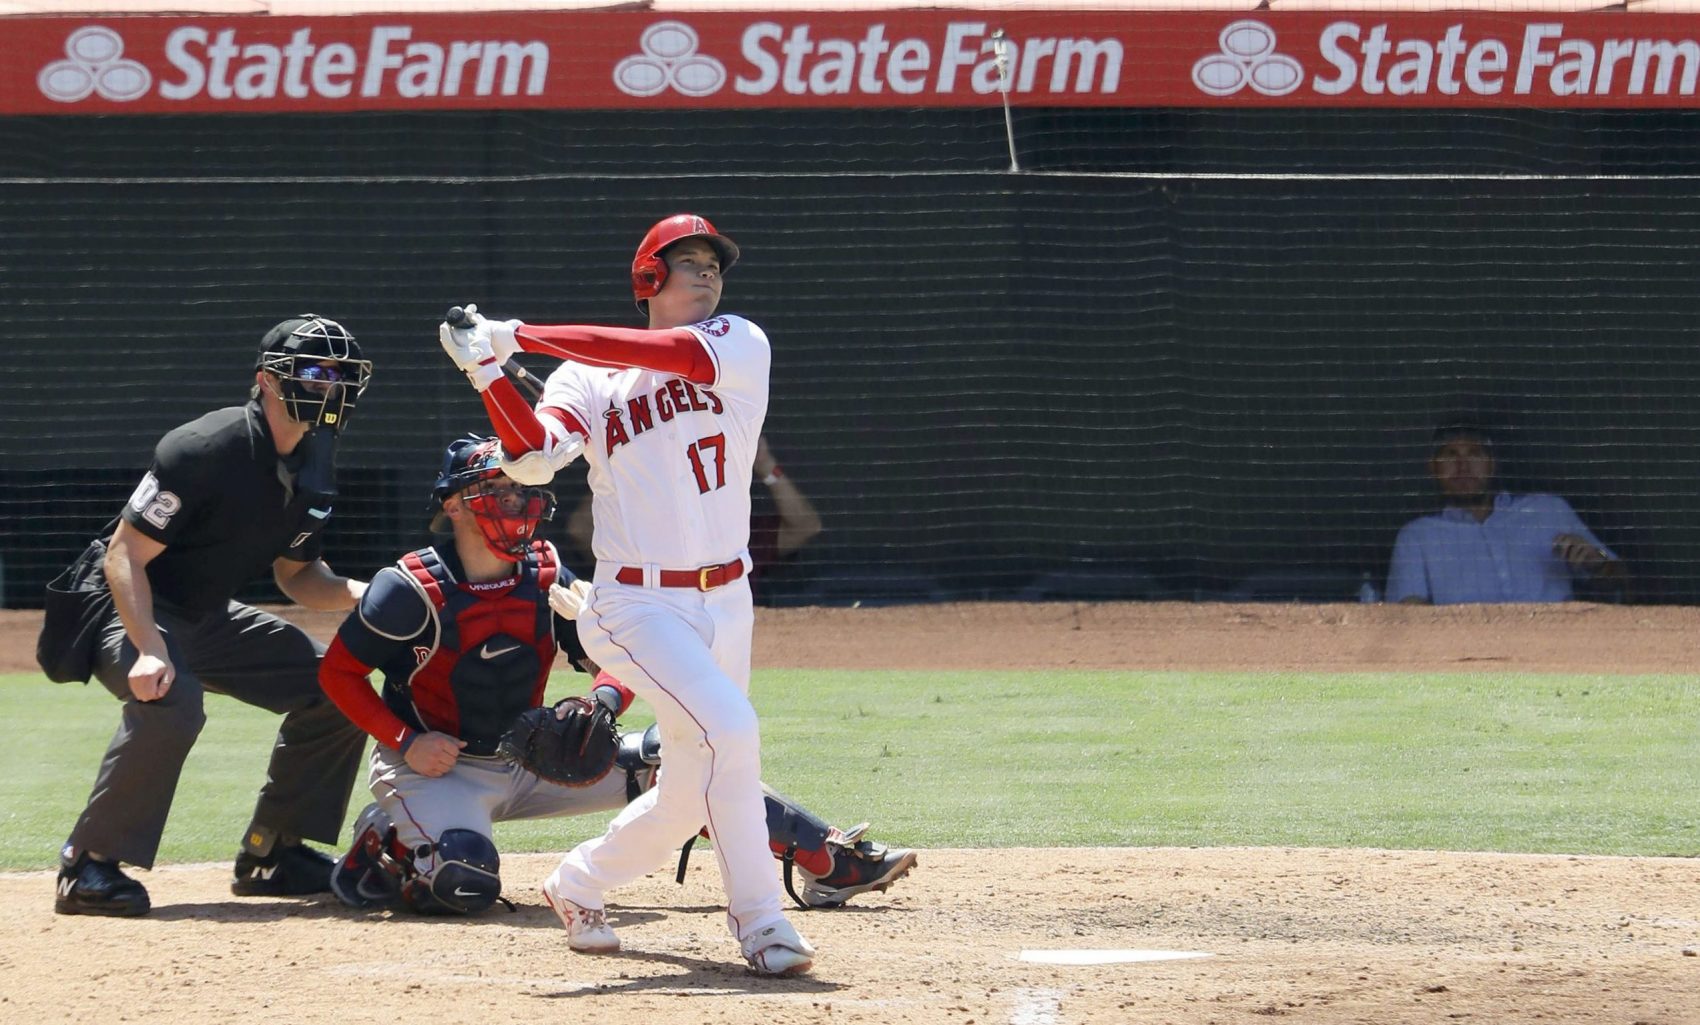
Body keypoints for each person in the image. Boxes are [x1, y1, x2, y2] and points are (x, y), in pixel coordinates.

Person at [437, 213, 817, 975]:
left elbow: (660, 351)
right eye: (688, 263)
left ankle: (576, 882)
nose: (708, 274)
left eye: (713, 262)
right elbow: (536, 460)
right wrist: (487, 372)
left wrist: (526, 336)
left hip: (727, 596)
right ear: (648, 279)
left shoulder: (738, 341)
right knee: (732, 734)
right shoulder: (587, 379)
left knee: (688, 791)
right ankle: (763, 924)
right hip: (636, 604)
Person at [319, 435, 915, 916]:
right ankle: (385, 844)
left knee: (682, 755)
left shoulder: (546, 572)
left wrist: (601, 701)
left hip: (530, 756)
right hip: (436, 768)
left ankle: (828, 861)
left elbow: (624, 650)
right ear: (453, 504)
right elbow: (338, 674)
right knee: (466, 882)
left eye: (521, 490)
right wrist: (405, 742)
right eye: (496, 490)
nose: (516, 503)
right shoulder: (410, 588)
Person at [43, 315, 374, 916]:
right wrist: (148, 647)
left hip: (204, 613)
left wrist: (368, 591)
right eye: (318, 372)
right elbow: (125, 556)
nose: (333, 388)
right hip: (124, 604)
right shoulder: (203, 448)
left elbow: (297, 576)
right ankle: (87, 865)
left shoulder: (316, 459)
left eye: (343, 376)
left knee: (336, 685)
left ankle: (271, 853)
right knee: (171, 700)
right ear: (268, 381)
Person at [1386, 421, 1628, 605]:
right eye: (1450, 455)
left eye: (1475, 453)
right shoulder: (1418, 535)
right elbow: (1409, 615)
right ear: (1433, 468)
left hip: (1558, 650)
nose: (1463, 466)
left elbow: (1620, 580)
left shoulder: (1547, 510)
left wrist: (1595, 564)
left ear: (1492, 464)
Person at [564, 433, 822, 602]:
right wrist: (623, 469)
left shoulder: (736, 528)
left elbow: (806, 527)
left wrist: (766, 466)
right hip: (658, 615)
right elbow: (580, 530)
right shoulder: (648, 524)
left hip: (728, 621)